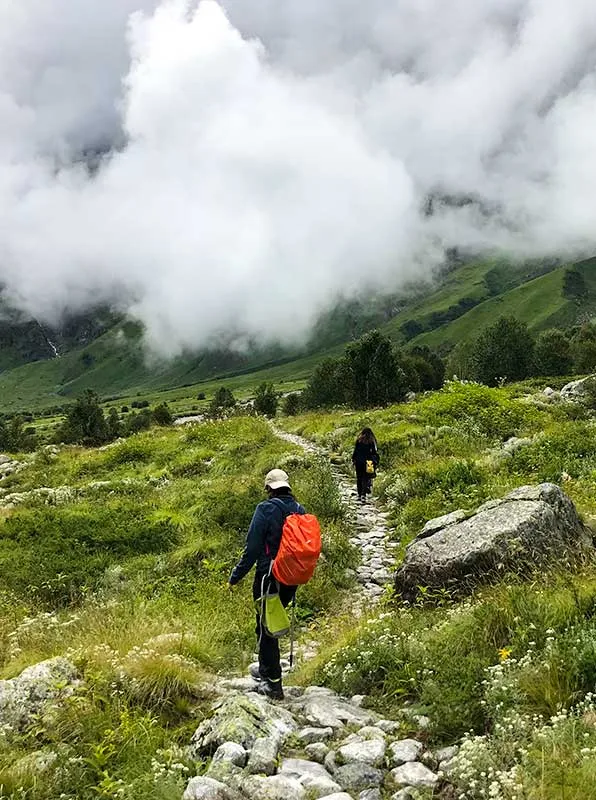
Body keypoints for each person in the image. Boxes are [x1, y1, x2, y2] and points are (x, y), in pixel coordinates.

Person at [228, 468, 305, 700]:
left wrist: (235, 576)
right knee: (269, 622)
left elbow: (252, 549)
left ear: (268, 488)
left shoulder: (265, 508)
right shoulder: (299, 509)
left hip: (268, 576)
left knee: (266, 627)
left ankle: (273, 683)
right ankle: (265, 670)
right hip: (291, 577)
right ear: (287, 486)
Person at [351, 427, 379, 502]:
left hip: (358, 462)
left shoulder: (359, 440)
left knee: (359, 478)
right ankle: (363, 495)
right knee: (366, 478)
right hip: (368, 462)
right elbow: (374, 452)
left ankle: (359, 494)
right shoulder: (371, 441)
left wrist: (353, 459)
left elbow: (355, 451)